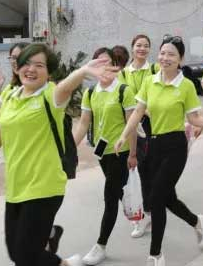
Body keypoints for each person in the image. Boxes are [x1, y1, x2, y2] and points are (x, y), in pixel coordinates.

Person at [0, 43, 115, 266]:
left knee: (26, 254)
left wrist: (83, 72)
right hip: (16, 186)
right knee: (16, 254)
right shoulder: (11, 95)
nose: (31, 69)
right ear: (18, 67)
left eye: (39, 65)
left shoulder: (50, 95)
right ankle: (60, 255)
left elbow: (66, 87)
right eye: (27, 63)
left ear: (48, 72)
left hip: (45, 185)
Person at [114, 35, 203, 266]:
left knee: (155, 198)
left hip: (175, 147)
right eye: (162, 53)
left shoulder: (186, 86)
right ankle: (198, 222)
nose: (165, 58)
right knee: (168, 198)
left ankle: (155, 255)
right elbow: (138, 112)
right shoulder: (150, 82)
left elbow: (194, 119)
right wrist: (124, 135)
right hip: (153, 145)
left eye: (171, 54)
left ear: (180, 59)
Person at [72, 48, 137, 265]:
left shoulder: (124, 91)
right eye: (98, 63)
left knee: (110, 196)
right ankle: (138, 210)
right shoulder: (91, 93)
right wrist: (69, 148)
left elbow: (131, 125)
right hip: (102, 153)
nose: (103, 67)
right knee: (118, 191)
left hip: (121, 151)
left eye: (107, 62)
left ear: (115, 65)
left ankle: (100, 246)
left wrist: (133, 154)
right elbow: (83, 124)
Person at [119, 34, 157, 238]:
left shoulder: (155, 70)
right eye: (139, 45)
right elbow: (124, 100)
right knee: (137, 170)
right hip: (133, 124)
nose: (142, 49)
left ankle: (149, 211)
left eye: (146, 46)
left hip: (153, 124)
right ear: (132, 48)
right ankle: (142, 216)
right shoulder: (123, 73)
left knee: (150, 169)